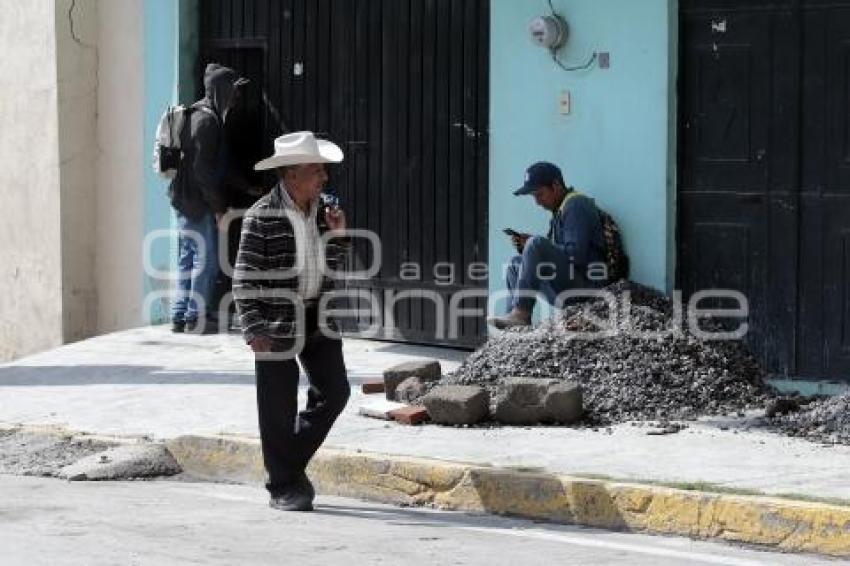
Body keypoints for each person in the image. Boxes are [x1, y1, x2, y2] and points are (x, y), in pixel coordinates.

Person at [233, 131, 351, 512]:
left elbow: (332, 268)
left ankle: (286, 466)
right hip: (275, 319)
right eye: (317, 171)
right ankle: (283, 486)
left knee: (336, 392)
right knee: (277, 407)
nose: (324, 178)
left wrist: (338, 236)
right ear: (292, 175)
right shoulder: (260, 216)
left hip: (318, 316)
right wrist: (253, 328)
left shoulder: (322, 211)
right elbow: (244, 278)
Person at [169, 63, 249, 333]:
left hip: (184, 198)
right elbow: (203, 171)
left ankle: (181, 315)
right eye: (234, 91)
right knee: (206, 258)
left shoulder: (200, 115)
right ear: (221, 90)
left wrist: (248, 186)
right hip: (196, 202)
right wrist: (218, 208)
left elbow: (216, 167)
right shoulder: (206, 121)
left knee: (188, 257)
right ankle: (196, 316)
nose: (236, 98)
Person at [488, 161, 607, 330]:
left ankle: (521, 313)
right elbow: (560, 254)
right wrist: (530, 252)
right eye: (534, 197)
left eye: (540, 194)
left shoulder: (577, 205)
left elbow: (576, 256)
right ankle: (514, 327)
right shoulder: (559, 211)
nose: (537, 202)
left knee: (535, 243)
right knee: (515, 264)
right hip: (567, 287)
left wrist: (536, 247)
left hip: (587, 288)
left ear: (556, 185)